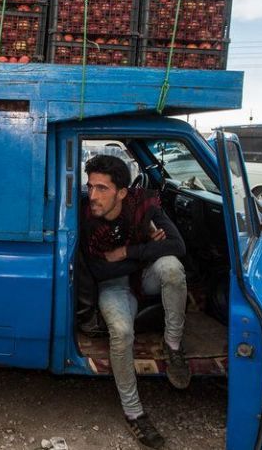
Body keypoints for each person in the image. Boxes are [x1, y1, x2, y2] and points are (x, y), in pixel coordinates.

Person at [80, 154, 190, 449]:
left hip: (143, 273)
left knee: (172, 268)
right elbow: (99, 269)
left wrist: (128, 252)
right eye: (90, 186)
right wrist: (147, 249)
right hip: (113, 285)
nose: (93, 195)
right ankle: (133, 412)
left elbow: (178, 246)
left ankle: (174, 345)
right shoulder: (85, 216)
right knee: (122, 332)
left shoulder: (144, 205)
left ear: (122, 192)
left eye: (102, 188)